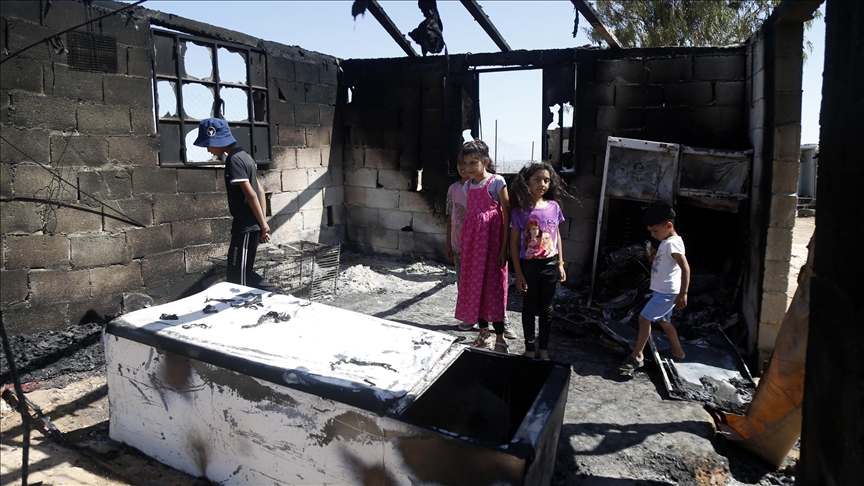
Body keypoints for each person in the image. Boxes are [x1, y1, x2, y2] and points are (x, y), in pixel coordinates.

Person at [193, 118, 277, 292]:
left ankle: (278, 295)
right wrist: (262, 222)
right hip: (248, 224)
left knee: (240, 278)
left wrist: (263, 225)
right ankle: (276, 295)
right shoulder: (245, 155)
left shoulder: (234, 160)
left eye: (208, 144)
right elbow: (260, 191)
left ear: (217, 139)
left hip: (246, 226)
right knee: (236, 273)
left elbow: (251, 194)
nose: (208, 150)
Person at [454, 140, 511, 352]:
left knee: (493, 288)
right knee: (475, 287)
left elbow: (507, 215)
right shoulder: (467, 186)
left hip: (492, 247)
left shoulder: (497, 182)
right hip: (472, 248)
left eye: (473, 162)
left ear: (485, 161)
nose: (468, 167)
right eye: (465, 163)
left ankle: (500, 338)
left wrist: (504, 248)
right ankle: (484, 335)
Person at [619, 203, 690, 374]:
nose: (653, 234)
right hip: (663, 290)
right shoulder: (667, 242)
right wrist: (652, 258)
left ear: (669, 225)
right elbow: (666, 263)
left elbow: (685, 267)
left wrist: (684, 293)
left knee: (644, 318)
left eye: (655, 231)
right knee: (664, 322)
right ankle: (678, 351)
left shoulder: (673, 243)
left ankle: (637, 356)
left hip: (667, 292)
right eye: (651, 231)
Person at [509, 162, 569, 360]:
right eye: (537, 179)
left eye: (546, 180)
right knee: (528, 308)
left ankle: (543, 348)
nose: (542, 184)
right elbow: (514, 243)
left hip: (550, 265)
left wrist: (560, 263)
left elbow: (557, 236)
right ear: (527, 182)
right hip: (529, 267)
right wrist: (518, 273)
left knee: (547, 309)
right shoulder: (520, 211)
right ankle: (529, 348)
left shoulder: (554, 207)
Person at [445, 161, 474, 330]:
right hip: (457, 241)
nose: (463, 168)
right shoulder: (453, 189)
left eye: (468, 163)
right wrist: (448, 243)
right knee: (462, 281)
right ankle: (468, 316)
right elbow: (450, 217)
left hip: (476, 242)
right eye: (460, 164)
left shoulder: (478, 187)